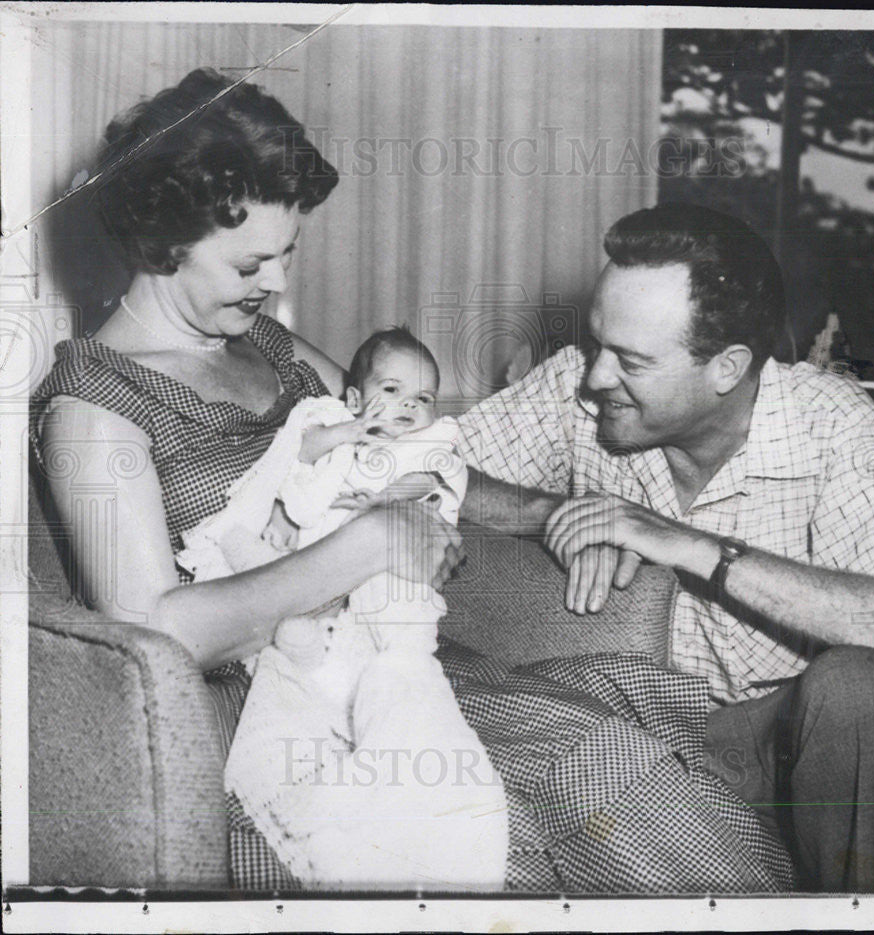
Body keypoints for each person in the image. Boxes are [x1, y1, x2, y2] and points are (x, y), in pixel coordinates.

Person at [30, 69, 795, 894]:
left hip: (382, 666)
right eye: (252, 261)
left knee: (624, 771)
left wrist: (547, 512)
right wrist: (361, 548)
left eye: (288, 253)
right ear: (162, 243)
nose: (278, 283)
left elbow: (416, 448)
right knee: (511, 828)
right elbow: (154, 635)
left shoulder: (268, 350)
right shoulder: (93, 405)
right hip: (266, 719)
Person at [456, 202, 874, 893]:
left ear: (728, 368)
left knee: (858, 688)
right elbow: (414, 470)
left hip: (797, 748)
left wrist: (687, 544)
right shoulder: (577, 390)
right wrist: (551, 511)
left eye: (629, 360)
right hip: (647, 739)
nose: (596, 377)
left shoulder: (830, 423)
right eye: (599, 344)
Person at [174, 327, 508, 890]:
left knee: (400, 616)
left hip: (390, 564)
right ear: (354, 398)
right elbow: (297, 463)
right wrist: (350, 434)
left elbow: (432, 480)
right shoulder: (333, 428)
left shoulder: (428, 443)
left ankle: (398, 675)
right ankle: (309, 657)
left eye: (422, 398)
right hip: (321, 570)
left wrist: (382, 501)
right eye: (393, 390)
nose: (408, 407)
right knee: (300, 609)